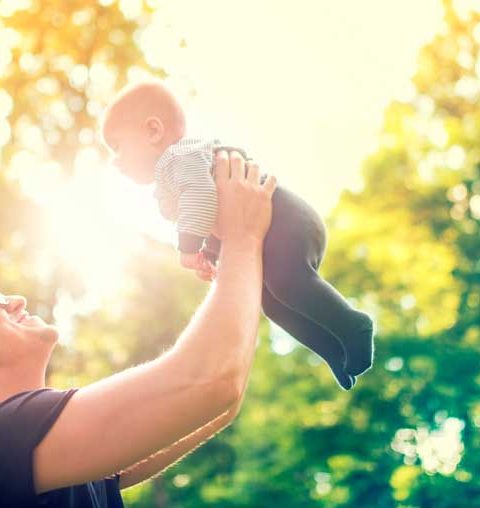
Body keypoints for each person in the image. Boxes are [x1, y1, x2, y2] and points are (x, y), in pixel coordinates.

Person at [0, 150, 277, 507]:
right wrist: (243, 237)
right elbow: (210, 382)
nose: (16, 301)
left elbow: (220, 401)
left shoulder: (58, 455)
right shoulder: (7, 435)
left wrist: (233, 260)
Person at [100, 80, 375, 391]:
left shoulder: (180, 157)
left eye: (118, 146)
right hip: (276, 230)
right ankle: (334, 350)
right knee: (274, 303)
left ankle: (354, 326)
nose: (115, 160)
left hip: (286, 220)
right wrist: (211, 253)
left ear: (153, 131)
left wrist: (189, 247)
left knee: (287, 282)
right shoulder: (179, 170)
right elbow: (220, 212)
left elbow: (201, 194)